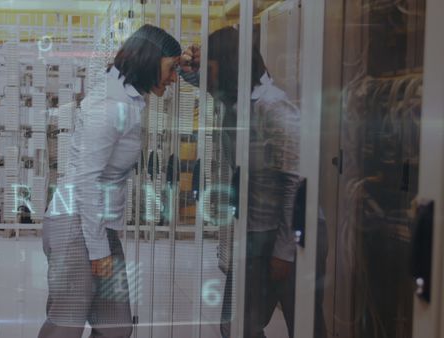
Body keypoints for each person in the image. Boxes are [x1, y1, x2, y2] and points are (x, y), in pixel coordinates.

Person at [38, 24, 182, 338]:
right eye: (172, 68)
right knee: (66, 324)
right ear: (148, 61)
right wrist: (99, 249)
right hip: (76, 222)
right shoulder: (110, 107)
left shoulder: (126, 98)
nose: (174, 77)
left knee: (115, 327)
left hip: (96, 223)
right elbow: (86, 183)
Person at [180, 26, 302, 338]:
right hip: (254, 233)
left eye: (211, 65)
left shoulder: (272, 105)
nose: (206, 74)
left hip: (288, 235)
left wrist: (285, 249)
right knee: (234, 325)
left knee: (303, 326)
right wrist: (188, 64)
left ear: (228, 62)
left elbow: (295, 181)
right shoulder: (233, 98)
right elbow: (198, 80)